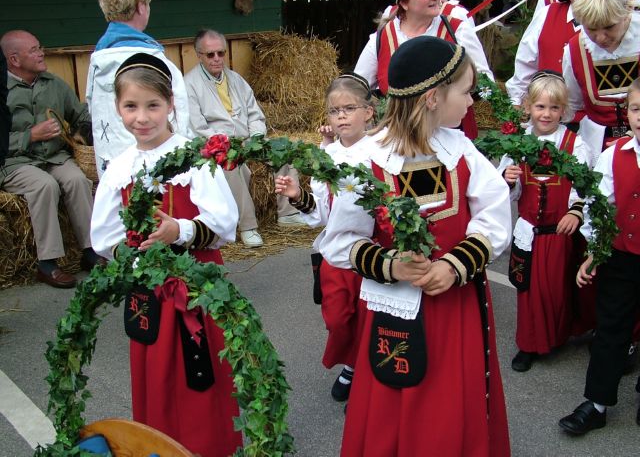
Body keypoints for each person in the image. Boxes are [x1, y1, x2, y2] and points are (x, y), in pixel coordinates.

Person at [321, 36, 511, 456]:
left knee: (451, 404)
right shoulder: (367, 159)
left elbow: (495, 217)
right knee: (394, 406)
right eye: (466, 92)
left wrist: (455, 265)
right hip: (395, 312)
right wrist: (391, 266)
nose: (471, 102)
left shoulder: (460, 150)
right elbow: (340, 241)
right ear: (432, 98)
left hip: (455, 305)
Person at [90, 53, 242, 456]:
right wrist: (136, 257)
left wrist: (181, 230)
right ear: (117, 108)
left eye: (152, 105)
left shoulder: (194, 160)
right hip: (149, 294)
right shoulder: (119, 168)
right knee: (156, 378)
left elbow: (224, 223)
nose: (141, 118)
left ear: (171, 104)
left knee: (201, 379)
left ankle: (209, 448)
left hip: (196, 289)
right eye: (131, 106)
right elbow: (104, 236)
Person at [274, 73, 373, 403]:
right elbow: (319, 214)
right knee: (337, 319)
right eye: (334, 111)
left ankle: (360, 370)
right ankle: (352, 361)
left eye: (349, 108)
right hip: (336, 254)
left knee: (369, 318)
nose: (341, 116)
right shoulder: (325, 158)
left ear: (368, 112)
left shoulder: (381, 153)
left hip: (372, 255)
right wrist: (297, 194)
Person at [559, 77, 640, 435]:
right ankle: (597, 404)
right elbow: (597, 208)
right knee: (610, 330)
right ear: (628, 113)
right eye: (636, 109)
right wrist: (594, 251)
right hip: (621, 258)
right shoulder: (613, 155)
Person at [499, 71, 590, 372]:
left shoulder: (574, 144)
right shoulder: (518, 143)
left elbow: (585, 188)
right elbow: (506, 192)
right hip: (528, 230)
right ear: (528, 107)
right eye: (540, 106)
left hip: (558, 232)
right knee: (526, 289)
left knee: (555, 290)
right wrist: (508, 179)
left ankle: (555, 336)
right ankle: (528, 344)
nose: (546, 114)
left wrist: (575, 211)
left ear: (563, 110)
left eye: (554, 107)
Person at [0, 30, 102, 288]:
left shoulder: (54, 83)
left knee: (78, 180)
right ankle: (47, 263)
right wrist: (30, 135)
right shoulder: (2, 90)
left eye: (40, 47)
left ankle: (91, 251)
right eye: (34, 50)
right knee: (44, 185)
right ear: (14, 59)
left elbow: (80, 116)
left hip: (55, 157)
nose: (41, 53)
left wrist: (89, 130)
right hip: (15, 162)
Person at [184, 29, 304, 248]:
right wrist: (224, 144)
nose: (217, 58)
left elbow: (255, 114)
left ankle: (288, 213)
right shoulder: (189, 84)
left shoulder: (235, 79)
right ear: (199, 55)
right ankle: (248, 227)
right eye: (210, 54)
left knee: (284, 152)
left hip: (248, 141)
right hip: (219, 146)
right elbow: (197, 127)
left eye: (221, 53)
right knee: (231, 166)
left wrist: (256, 137)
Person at [356, 0, 493, 139]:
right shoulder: (382, 38)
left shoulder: (457, 30)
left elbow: (486, 82)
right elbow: (357, 88)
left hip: (453, 135)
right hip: (400, 140)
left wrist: (458, 92)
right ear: (404, 2)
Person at [87, 0, 192, 176]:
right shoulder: (157, 64)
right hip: (157, 174)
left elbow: (93, 110)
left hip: (112, 169)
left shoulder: (97, 63)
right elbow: (181, 122)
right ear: (141, 6)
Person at [562, 0, 639, 162]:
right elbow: (571, 105)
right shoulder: (575, 49)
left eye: (609, 27)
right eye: (591, 29)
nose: (601, 38)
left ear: (626, 11)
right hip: (595, 151)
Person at [506, 0, 585, 114]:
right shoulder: (547, 14)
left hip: (593, 120)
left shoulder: (612, 23)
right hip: (547, 118)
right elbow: (525, 64)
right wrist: (516, 103)